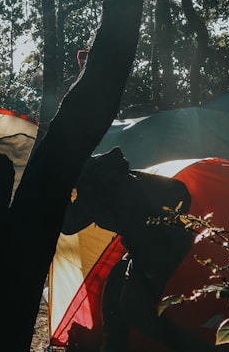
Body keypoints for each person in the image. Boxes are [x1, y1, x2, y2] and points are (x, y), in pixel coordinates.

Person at [62, 148, 213, 352]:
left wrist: (56, 193)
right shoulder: (107, 170)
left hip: (157, 249)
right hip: (151, 244)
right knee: (113, 296)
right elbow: (179, 189)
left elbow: (69, 225)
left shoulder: (93, 184)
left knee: (138, 314)